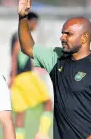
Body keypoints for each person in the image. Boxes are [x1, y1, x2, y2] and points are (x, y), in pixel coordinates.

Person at [16, 0, 91, 139]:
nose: (62, 37)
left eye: (68, 34)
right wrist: (22, 17)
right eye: (62, 33)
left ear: (84, 38)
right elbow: (28, 48)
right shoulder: (56, 58)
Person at [9, 11, 53, 139]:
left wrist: (34, 67)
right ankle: (42, 133)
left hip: (18, 78)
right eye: (35, 23)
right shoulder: (22, 34)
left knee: (20, 112)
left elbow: (22, 57)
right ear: (29, 21)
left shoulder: (17, 34)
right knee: (48, 103)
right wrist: (12, 76)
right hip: (25, 77)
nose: (36, 26)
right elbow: (15, 55)